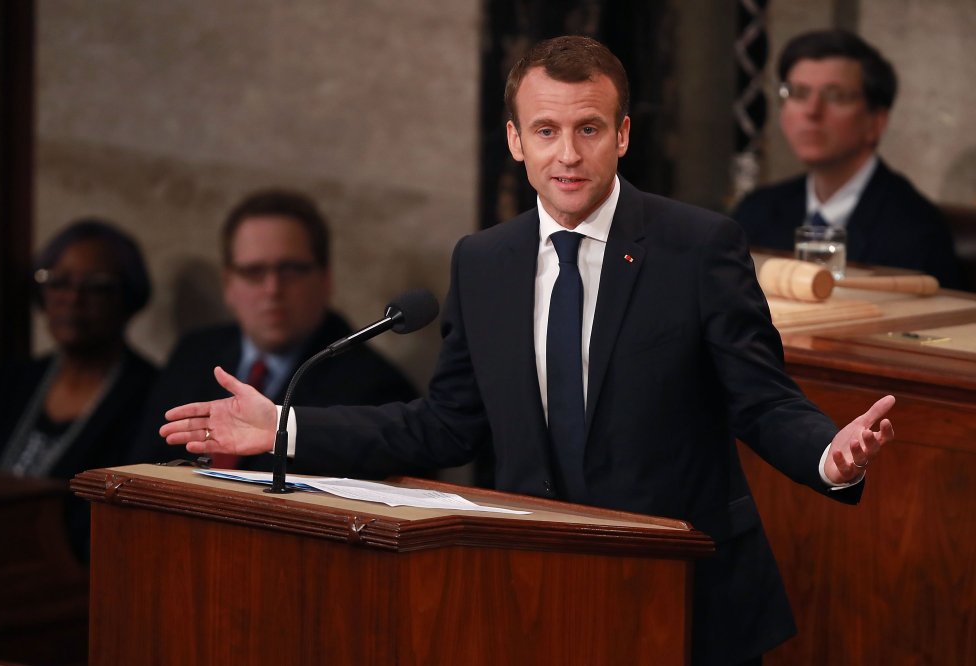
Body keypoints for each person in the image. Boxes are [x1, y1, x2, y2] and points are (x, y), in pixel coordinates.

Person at [158, 37, 895, 665]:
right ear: (514, 141)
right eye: (545, 131)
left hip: (684, 600)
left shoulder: (698, 247)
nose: (567, 155)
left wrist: (828, 455)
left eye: (589, 130)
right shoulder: (484, 261)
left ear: (623, 134)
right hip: (535, 595)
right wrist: (285, 427)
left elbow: (760, 399)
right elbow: (445, 425)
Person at [130, 189, 419, 473]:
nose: (272, 290)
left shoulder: (379, 390)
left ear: (325, 280)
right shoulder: (193, 354)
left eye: (290, 270)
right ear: (228, 285)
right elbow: (139, 469)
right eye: (254, 272)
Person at [0, 219, 157, 561]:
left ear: (129, 295)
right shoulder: (11, 381)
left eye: (96, 287)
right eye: (57, 282)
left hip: (77, 573)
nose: (72, 299)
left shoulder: (150, 394)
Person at [733, 29, 964, 289]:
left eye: (835, 96)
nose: (812, 111)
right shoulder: (756, 211)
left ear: (876, 121)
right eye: (798, 93)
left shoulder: (915, 230)